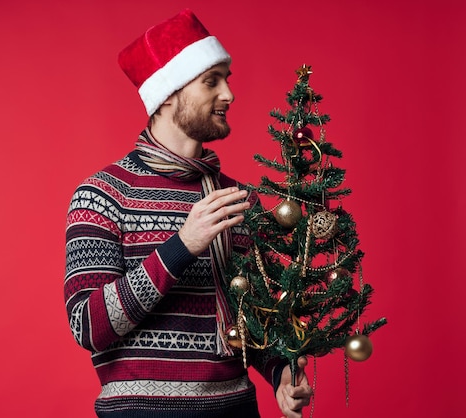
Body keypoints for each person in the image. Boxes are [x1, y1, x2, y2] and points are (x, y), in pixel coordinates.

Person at [64, 9, 313, 418]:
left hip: (234, 409)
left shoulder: (237, 199)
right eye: (211, 81)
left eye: (227, 79)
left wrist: (281, 372)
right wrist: (182, 246)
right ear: (168, 95)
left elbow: (256, 320)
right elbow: (89, 326)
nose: (229, 94)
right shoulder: (103, 194)